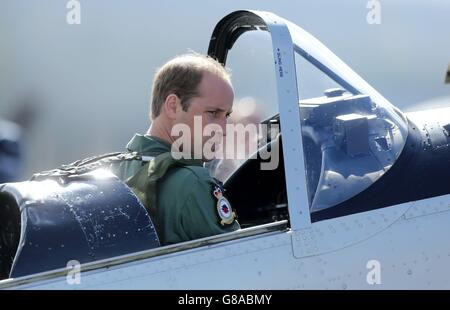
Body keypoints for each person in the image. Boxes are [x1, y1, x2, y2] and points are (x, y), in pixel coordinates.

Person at [112, 53, 240, 245]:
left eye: (226, 115)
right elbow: (241, 261)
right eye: (213, 113)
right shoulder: (193, 182)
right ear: (173, 106)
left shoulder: (115, 168)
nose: (222, 129)